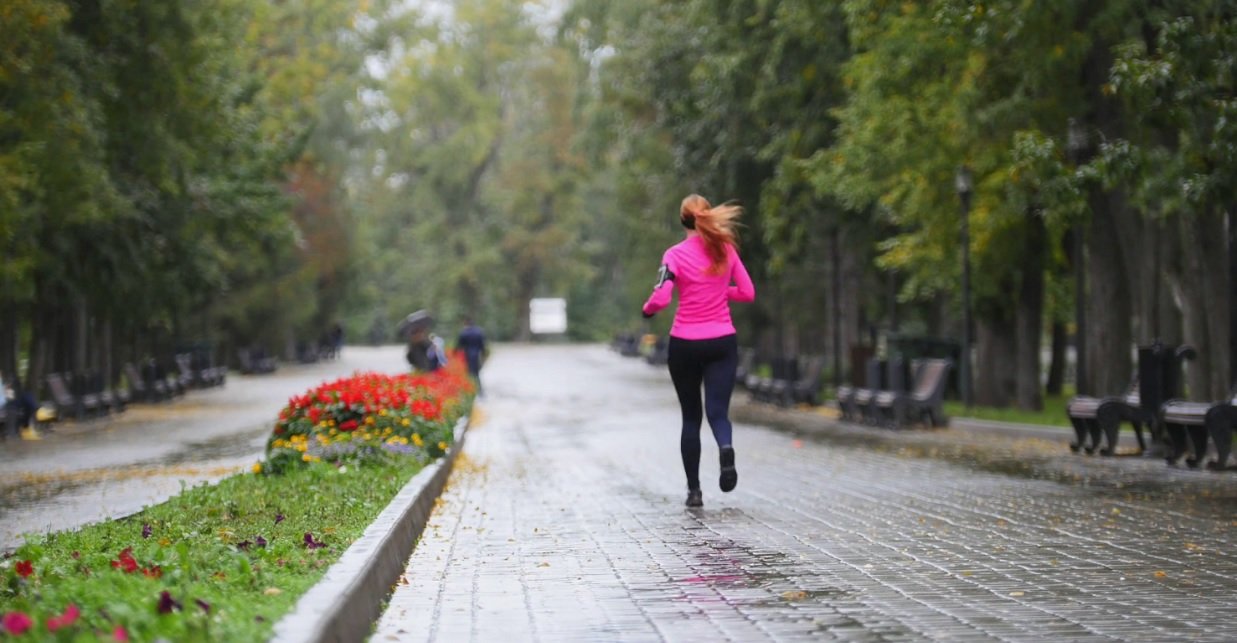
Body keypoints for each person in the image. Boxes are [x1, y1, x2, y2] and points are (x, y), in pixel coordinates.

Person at [642, 194, 755, 508]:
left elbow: (662, 298)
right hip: (722, 341)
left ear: (683, 220)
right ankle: (726, 448)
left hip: (685, 344)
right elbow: (747, 292)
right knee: (718, 412)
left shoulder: (674, 255)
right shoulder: (725, 250)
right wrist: (719, 290)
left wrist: (648, 309)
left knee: (691, 417)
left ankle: (694, 492)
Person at [456, 317, 487, 394]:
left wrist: (455, 352)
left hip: (468, 354)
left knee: (469, 372)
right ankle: (479, 389)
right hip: (477, 354)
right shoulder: (479, 332)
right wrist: (483, 354)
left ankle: (470, 389)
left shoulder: (464, 332)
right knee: (476, 373)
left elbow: (459, 345)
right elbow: (482, 345)